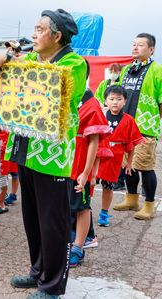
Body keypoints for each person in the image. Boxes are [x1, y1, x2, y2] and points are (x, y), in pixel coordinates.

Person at [0, 9, 86, 298]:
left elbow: (47, 83)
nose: (33, 34)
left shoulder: (74, 63)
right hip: (26, 150)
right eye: (34, 29)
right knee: (33, 220)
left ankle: (52, 286)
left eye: (40, 29)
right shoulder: (33, 60)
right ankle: (38, 272)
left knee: (53, 225)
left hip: (53, 157)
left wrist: (8, 59)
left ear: (57, 35)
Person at [114, 33, 162, 220]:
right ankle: (131, 199)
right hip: (126, 126)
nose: (135, 48)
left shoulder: (157, 70)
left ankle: (149, 204)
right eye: (134, 44)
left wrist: (156, 122)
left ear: (151, 50)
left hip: (145, 127)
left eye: (140, 45)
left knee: (145, 166)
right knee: (128, 166)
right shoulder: (127, 70)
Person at [68, 84, 111, 268]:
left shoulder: (91, 104)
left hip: (79, 168)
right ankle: (70, 242)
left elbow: (95, 142)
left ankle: (78, 248)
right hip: (62, 165)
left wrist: (87, 173)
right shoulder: (66, 98)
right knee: (67, 206)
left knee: (81, 207)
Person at [96, 85, 144, 227]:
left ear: (125, 101)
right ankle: (83, 211)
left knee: (108, 187)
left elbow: (131, 144)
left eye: (119, 99)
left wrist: (129, 163)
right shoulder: (100, 115)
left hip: (113, 159)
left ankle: (104, 213)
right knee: (88, 185)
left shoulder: (128, 120)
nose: (115, 102)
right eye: (111, 99)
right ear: (105, 101)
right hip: (96, 157)